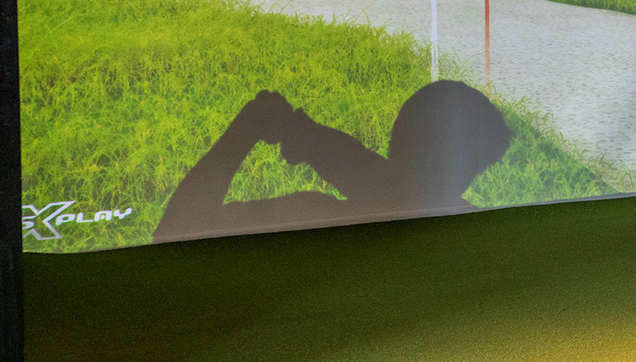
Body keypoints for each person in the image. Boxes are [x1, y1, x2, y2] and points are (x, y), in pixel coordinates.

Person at [156, 81, 511, 241]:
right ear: (468, 170)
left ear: (399, 131)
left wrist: (244, 131)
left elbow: (173, 232)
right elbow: (377, 174)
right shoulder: (477, 239)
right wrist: (305, 135)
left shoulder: (315, 219)